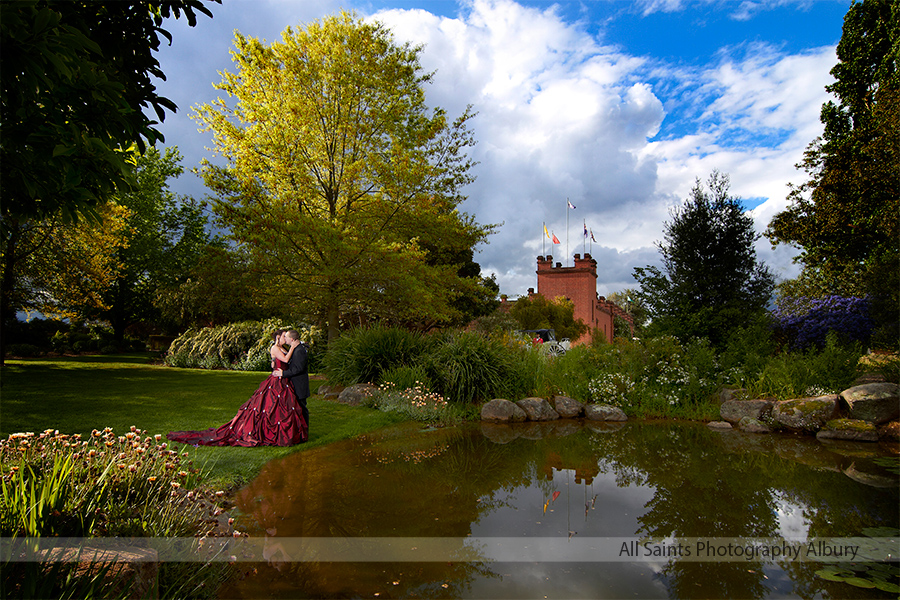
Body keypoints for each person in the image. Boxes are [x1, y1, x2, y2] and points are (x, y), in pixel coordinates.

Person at [167, 329, 308, 446]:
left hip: (283, 380)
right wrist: (292, 349)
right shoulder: (276, 348)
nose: (285, 338)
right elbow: (285, 360)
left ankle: (293, 432)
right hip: (277, 380)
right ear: (278, 337)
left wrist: (277, 362)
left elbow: (278, 362)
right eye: (283, 336)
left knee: (285, 407)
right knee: (269, 407)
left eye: (286, 336)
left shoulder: (283, 348)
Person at [273, 329, 310, 429]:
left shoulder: (299, 351)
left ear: (292, 339)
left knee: (302, 408)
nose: (285, 338)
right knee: (297, 408)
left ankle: (304, 430)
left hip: (299, 384)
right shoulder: (295, 348)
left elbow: (298, 369)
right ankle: (299, 430)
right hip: (294, 383)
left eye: (286, 337)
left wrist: (283, 373)